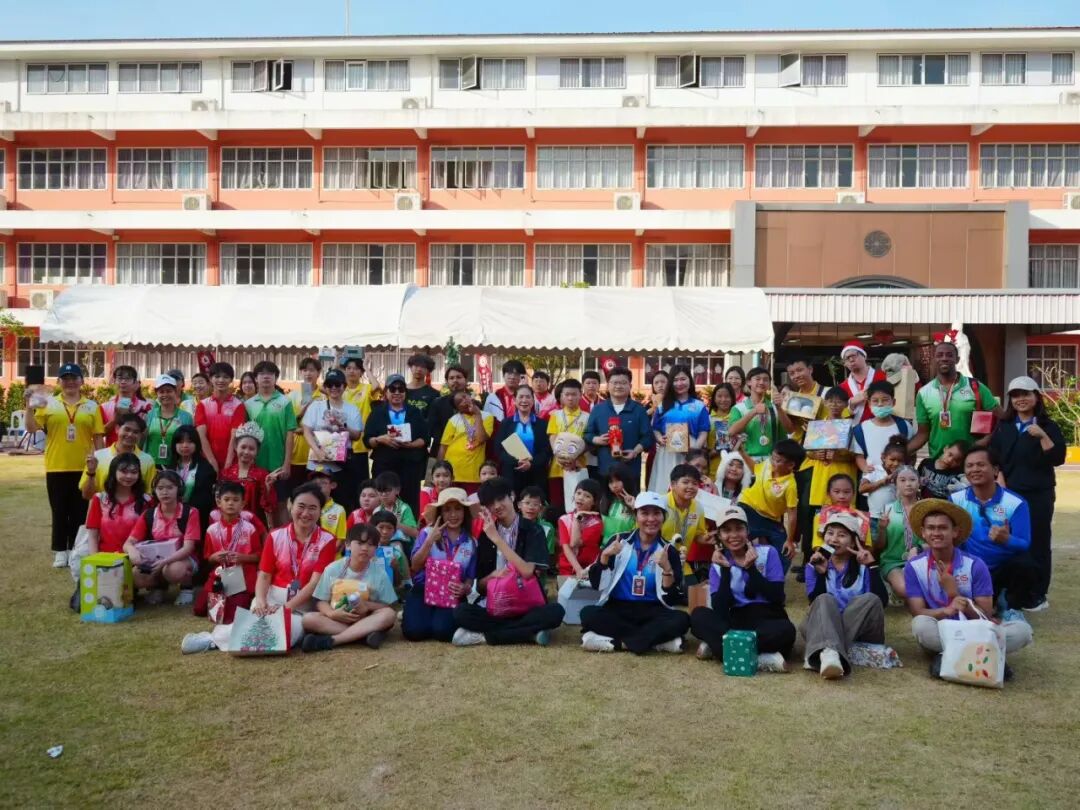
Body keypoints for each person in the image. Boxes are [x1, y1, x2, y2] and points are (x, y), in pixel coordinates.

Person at [903, 498, 1032, 669]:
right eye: (931, 528)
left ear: (955, 532)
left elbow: (985, 614)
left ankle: (950, 655)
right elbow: (917, 611)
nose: (936, 533)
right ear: (923, 532)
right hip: (941, 630)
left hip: (975, 630)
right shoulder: (914, 566)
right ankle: (984, 653)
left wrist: (955, 595)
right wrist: (947, 610)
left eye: (943, 528)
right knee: (920, 625)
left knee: (1023, 631)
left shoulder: (975, 565)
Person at [451, 477, 565, 646]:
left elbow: (527, 572)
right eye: (491, 503)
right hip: (495, 604)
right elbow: (480, 586)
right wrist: (492, 576)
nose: (497, 506)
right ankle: (528, 634)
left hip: (525, 603)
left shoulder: (532, 529)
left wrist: (497, 539)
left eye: (500, 499)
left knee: (556, 612)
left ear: (511, 496)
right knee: (461, 612)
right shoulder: (485, 536)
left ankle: (487, 636)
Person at [578, 491, 689, 655]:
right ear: (635, 516)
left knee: (682, 619)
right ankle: (654, 642)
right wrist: (604, 557)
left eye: (656, 513)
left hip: (653, 609)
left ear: (663, 517)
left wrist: (667, 569)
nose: (651, 519)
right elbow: (598, 585)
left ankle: (617, 643)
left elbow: (672, 599)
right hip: (618, 607)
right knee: (588, 614)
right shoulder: (619, 541)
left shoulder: (669, 551)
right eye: (645, 513)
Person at [989, 376, 1065, 613]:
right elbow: (995, 457)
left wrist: (1042, 435)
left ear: (1036, 397)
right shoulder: (1005, 426)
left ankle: (1037, 594)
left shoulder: (1048, 426)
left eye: (1025, 394)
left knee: (1038, 542)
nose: (1020, 399)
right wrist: (1000, 481)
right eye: (1015, 395)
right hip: (1009, 495)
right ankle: (1013, 591)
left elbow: (1058, 458)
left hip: (1038, 494)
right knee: (1009, 540)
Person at [689, 505, 795, 670]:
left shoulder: (768, 553)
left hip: (767, 618)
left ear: (747, 531)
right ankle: (759, 656)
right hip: (735, 619)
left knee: (786, 630)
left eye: (739, 528)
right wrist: (725, 570)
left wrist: (751, 569)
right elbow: (720, 609)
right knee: (698, 616)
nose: (733, 535)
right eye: (727, 530)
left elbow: (777, 597)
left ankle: (722, 648)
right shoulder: (717, 564)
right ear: (719, 535)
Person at [24, 362, 104, 567]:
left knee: (80, 511)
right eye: (65, 378)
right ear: (59, 381)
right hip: (56, 465)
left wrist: (100, 462)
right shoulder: (47, 403)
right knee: (59, 510)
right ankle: (60, 550)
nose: (70, 382)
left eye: (74, 378)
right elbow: (31, 428)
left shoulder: (91, 406)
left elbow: (98, 437)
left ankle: (75, 548)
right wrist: (29, 407)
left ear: (81, 381)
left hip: (84, 467)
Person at [950, 447, 1039, 612]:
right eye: (969, 466)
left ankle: (1012, 607)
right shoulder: (956, 500)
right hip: (970, 568)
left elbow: (1025, 543)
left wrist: (1007, 539)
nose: (975, 469)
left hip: (1001, 568)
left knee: (1026, 564)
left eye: (981, 464)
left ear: (996, 470)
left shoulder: (1015, 503)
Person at [801, 512, 888, 679]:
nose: (834, 539)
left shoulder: (864, 566)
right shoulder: (813, 564)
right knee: (824, 599)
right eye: (830, 533)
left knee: (870, 599)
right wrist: (821, 574)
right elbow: (815, 602)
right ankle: (830, 653)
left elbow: (880, 602)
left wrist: (872, 566)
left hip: (856, 628)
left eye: (841, 535)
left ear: (854, 541)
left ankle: (825, 652)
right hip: (824, 624)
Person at [300, 523, 398, 653]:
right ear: (347, 545)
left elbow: (388, 605)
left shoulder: (380, 574)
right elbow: (320, 600)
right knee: (308, 619)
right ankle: (364, 636)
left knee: (389, 615)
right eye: (360, 543)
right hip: (338, 619)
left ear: (376, 548)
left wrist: (367, 605)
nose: (365, 548)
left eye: (370, 544)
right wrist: (332, 613)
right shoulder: (333, 569)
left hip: (366, 619)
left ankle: (333, 640)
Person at [403, 488, 478, 643]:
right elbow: (415, 566)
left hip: (452, 594)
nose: (453, 515)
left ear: (465, 512)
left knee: (443, 632)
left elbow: (470, 578)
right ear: (440, 513)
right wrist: (429, 542)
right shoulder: (426, 533)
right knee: (414, 632)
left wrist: (465, 588)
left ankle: (433, 618)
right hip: (423, 589)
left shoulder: (472, 542)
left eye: (458, 509)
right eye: (447, 510)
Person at [908, 339, 1001, 461]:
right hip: (939, 461)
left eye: (949, 355)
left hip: (970, 462)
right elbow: (923, 433)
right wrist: (901, 452)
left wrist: (985, 441)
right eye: (940, 355)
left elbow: (1000, 418)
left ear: (957, 359)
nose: (944, 358)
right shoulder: (924, 393)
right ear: (934, 359)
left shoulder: (976, 387)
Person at [193, 480, 265, 624]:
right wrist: (214, 557)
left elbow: (258, 556)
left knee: (233, 615)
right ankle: (225, 598)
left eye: (235, 500)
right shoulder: (212, 530)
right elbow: (208, 558)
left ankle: (244, 599)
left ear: (243, 504)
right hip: (219, 576)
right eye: (226, 500)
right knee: (199, 609)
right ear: (219, 503)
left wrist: (242, 557)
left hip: (242, 576)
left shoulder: (249, 529)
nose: (231, 503)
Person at [125, 470, 201, 605]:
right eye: (160, 488)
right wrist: (132, 551)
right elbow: (128, 543)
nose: (165, 492)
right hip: (156, 559)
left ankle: (186, 588)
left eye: (170, 487)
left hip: (184, 559)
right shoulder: (148, 515)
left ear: (178, 489)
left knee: (174, 570)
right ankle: (158, 588)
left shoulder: (190, 512)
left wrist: (165, 562)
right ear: (154, 491)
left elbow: (189, 548)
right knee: (136, 576)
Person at [364, 373, 430, 516]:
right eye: (393, 389)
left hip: (409, 466)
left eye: (401, 389)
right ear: (386, 392)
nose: (397, 392)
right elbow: (367, 440)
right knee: (383, 502)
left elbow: (424, 439)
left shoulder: (415, 412)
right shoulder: (377, 412)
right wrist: (380, 439)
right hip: (384, 465)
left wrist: (411, 445)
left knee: (410, 503)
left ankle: (409, 528)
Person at [738, 439, 806, 572]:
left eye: (778, 460)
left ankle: (776, 580)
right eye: (772, 457)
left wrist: (790, 540)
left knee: (785, 552)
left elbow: (792, 515)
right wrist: (742, 452)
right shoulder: (767, 465)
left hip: (771, 520)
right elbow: (755, 468)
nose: (772, 461)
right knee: (738, 539)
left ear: (791, 465)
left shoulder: (790, 485)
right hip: (748, 509)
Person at [244, 361, 297, 523]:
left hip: (278, 463)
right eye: (261, 374)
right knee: (258, 505)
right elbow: (245, 436)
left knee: (281, 504)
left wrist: (287, 463)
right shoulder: (248, 404)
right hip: (256, 464)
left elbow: (290, 434)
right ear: (256, 378)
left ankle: (283, 537)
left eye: (270, 374)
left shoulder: (285, 402)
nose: (266, 377)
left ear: (275, 378)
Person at [647, 364, 711, 494]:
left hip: (691, 451)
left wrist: (694, 451)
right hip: (667, 452)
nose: (679, 383)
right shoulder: (663, 405)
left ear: (690, 380)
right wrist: (660, 438)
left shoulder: (699, 406)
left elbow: (703, 431)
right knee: (665, 485)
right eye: (675, 380)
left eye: (683, 379)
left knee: (688, 486)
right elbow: (655, 428)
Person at [584, 366, 652, 486]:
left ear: (630, 386)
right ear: (608, 386)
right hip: (605, 470)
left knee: (630, 498)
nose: (619, 386)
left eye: (623, 383)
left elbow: (648, 437)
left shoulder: (638, 410)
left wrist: (635, 451)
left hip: (631, 470)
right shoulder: (598, 409)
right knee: (604, 497)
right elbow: (587, 434)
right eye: (614, 383)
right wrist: (597, 439)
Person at [300, 368, 363, 484]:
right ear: (325, 387)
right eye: (329, 384)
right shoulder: (316, 406)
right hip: (317, 465)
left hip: (341, 465)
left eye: (337, 384)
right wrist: (317, 451)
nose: (333, 387)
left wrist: (342, 427)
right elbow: (306, 430)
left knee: (342, 494)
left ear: (344, 386)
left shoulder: (353, 409)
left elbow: (357, 436)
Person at [83, 453, 151, 556]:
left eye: (134, 472)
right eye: (124, 471)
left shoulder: (147, 500)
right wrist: (95, 560)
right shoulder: (100, 499)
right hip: (106, 559)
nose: (129, 476)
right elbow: (93, 535)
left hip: (137, 558)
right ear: (113, 471)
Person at [728, 366, 794, 470]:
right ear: (749, 382)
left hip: (772, 462)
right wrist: (754, 412)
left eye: (765, 379)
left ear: (769, 384)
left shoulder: (775, 407)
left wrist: (779, 408)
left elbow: (790, 430)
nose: (762, 382)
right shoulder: (739, 408)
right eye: (757, 379)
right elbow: (731, 431)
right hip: (746, 461)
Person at [80, 413, 157, 499]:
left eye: (136, 432)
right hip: (102, 506)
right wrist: (91, 473)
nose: (130, 434)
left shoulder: (147, 460)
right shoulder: (98, 457)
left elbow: (149, 494)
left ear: (140, 435)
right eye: (127, 429)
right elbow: (86, 495)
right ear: (117, 429)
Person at [494, 384, 551, 495]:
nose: (524, 400)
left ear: (533, 400)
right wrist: (516, 462)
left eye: (528, 397)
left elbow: (547, 451)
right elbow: (498, 449)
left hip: (536, 474)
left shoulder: (542, 424)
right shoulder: (506, 423)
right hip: (511, 473)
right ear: (515, 400)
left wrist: (531, 463)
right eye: (521, 397)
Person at [875, 466, 923, 598]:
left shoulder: (925, 509)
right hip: (893, 562)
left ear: (919, 482)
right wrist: (882, 529)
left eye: (912, 479)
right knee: (906, 589)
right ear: (895, 483)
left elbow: (932, 540)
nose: (908, 484)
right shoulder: (887, 509)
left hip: (921, 560)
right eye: (902, 480)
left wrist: (918, 549)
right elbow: (880, 546)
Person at [218, 422, 277, 528]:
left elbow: (269, 506)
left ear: (257, 451)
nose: (246, 452)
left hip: (253, 525)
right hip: (230, 524)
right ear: (236, 447)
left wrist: (268, 488)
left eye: (251, 449)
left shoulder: (262, 475)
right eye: (243, 447)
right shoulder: (226, 474)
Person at [662, 463, 712, 581]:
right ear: (673, 484)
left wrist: (706, 538)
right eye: (685, 482)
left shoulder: (698, 507)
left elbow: (699, 535)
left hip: (682, 563)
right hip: (658, 562)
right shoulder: (661, 504)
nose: (691, 487)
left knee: (695, 589)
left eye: (695, 483)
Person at [195, 361, 247, 474]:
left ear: (231, 380)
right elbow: (201, 436)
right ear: (210, 379)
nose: (221, 380)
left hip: (232, 462)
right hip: (206, 460)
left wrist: (228, 462)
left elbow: (235, 436)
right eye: (217, 376)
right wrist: (212, 461)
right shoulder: (202, 405)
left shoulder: (238, 405)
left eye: (225, 377)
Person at [853, 381, 914, 476]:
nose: (880, 404)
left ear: (893, 402)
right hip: (873, 480)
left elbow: (912, 454)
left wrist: (906, 473)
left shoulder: (904, 426)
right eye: (875, 401)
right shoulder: (860, 429)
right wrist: (865, 468)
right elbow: (859, 456)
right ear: (869, 403)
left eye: (885, 400)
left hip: (898, 480)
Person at [546, 378, 589, 512]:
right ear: (561, 396)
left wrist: (574, 457)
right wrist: (559, 456)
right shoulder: (555, 415)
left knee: (577, 504)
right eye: (567, 394)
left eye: (574, 394)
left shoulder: (587, 417)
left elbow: (588, 441)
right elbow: (552, 436)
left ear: (580, 395)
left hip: (578, 465)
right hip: (557, 466)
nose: (570, 398)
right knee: (557, 504)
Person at [339, 355, 375, 512]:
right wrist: (336, 365)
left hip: (359, 445)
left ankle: (360, 516)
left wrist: (367, 368)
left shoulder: (366, 389)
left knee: (360, 486)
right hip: (340, 445)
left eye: (355, 368)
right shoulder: (340, 389)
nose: (351, 371)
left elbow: (377, 387)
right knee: (342, 487)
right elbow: (324, 388)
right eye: (348, 368)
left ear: (361, 372)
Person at [439, 389, 494, 493]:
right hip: (453, 471)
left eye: (464, 397)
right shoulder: (454, 420)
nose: (464, 401)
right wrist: (440, 467)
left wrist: (477, 415)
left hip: (474, 472)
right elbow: (444, 446)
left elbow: (481, 438)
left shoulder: (487, 416)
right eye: (459, 402)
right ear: (458, 408)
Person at [167, 424, 218, 536]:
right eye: (180, 442)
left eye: (190, 442)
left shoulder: (206, 468)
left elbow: (206, 499)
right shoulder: (170, 467)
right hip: (172, 517)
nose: (185, 445)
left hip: (197, 518)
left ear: (197, 444)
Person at [557, 478, 607, 586]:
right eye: (578, 493)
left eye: (587, 496)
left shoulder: (596, 523)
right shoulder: (564, 519)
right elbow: (567, 547)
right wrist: (578, 569)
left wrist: (577, 519)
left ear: (594, 502)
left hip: (588, 569)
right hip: (567, 569)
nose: (581, 497)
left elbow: (574, 542)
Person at [858, 435, 909, 533]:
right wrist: (882, 482)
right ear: (883, 457)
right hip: (875, 518)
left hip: (894, 518)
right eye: (892, 460)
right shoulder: (874, 470)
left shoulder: (903, 474)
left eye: (900, 461)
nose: (895, 464)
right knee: (876, 540)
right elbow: (861, 489)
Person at [427, 365, 476, 465]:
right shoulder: (437, 403)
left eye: (459, 377)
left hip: (468, 453)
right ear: (447, 382)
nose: (455, 380)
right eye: (451, 378)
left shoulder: (475, 405)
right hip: (441, 453)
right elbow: (433, 430)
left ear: (466, 380)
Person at [288, 357, 325, 488]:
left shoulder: (324, 395)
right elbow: (290, 424)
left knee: (316, 491)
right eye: (305, 370)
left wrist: (304, 429)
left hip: (318, 452)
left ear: (318, 373)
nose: (308, 373)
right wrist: (304, 409)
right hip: (297, 453)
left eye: (312, 370)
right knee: (296, 491)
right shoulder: (292, 396)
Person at [144, 374, 194, 468]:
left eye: (169, 391)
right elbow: (143, 440)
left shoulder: (186, 417)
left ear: (175, 392)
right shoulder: (149, 415)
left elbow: (191, 442)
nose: (165, 395)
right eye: (161, 392)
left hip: (177, 465)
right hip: (151, 465)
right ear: (157, 393)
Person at [811, 474, 872, 549]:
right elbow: (818, 544)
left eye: (846, 492)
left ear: (853, 494)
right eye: (837, 492)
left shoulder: (862, 517)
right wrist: (833, 553)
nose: (842, 496)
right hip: (827, 555)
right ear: (828, 493)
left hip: (854, 555)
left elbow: (867, 546)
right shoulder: (820, 516)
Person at [100, 365, 153, 446]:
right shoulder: (104, 407)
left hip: (136, 452)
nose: (123, 382)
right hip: (111, 452)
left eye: (128, 379)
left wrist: (133, 418)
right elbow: (99, 434)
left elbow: (149, 434)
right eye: (120, 378)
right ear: (114, 381)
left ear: (135, 383)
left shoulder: (146, 407)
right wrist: (115, 420)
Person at [838, 341, 887, 424]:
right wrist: (851, 403)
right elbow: (839, 415)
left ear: (864, 356)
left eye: (853, 355)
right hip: (855, 430)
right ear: (845, 364)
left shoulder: (883, 377)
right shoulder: (842, 387)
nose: (851, 360)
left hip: (882, 426)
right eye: (847, 358)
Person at [374, 470, 420, 548]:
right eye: (380, 491)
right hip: (381, 543)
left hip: (403, 545)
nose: (384, 494)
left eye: (388, 490)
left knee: (396, 542)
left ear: (397, 490)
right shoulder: (377, 511)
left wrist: (396, 524)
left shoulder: (404, 508)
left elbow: (415, 533)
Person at [706, 382, 739, 478]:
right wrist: (714, 451)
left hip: (733, 472)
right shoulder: (708, 419)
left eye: (727, 396)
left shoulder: (738, 418)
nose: (723, 400)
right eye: (719, 396)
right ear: (714, 398)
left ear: (732, 398)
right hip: (712, 471)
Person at [598, 464, 639, 538]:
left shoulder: (638, 501)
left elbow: (642, 527)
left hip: (626, 543)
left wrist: (634, 508)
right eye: (611, 482)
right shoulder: (604, 501)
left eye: (618, 480)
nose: (614, 485)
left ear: (626, 480)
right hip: (605, 543)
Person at [309, 469, 347, 547]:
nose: (318, 486)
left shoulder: (339, 510)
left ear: (333, 485)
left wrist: (328, 553)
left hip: (332, 552)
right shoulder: (307, 507)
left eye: (323, 482)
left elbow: (341, 539)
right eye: (314, 483)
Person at [482, 359, 526, 424]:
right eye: (509, 373)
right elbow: (485, 420)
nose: (512, 377)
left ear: (520, 377)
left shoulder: (526, 398)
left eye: (516, 374)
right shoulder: (493, 398)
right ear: (503, 375)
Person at [404, 353, 440, 423]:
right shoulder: (400, 391)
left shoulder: (434, 394)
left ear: (428, 371)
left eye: (423, 367)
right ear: (410, 367)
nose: (419, 369)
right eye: (416, 366)